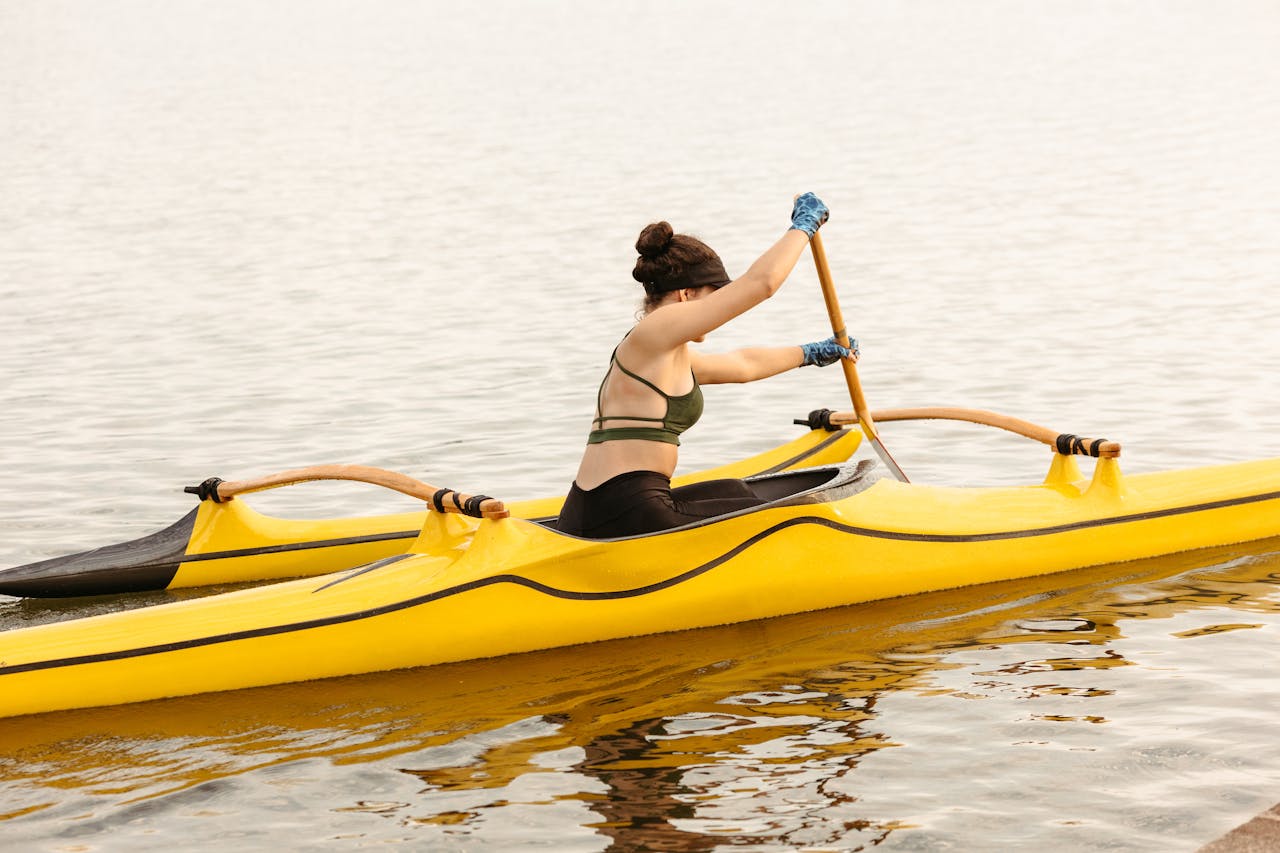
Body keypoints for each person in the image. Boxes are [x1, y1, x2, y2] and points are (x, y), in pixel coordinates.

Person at [556, 192, 855, 539]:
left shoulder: (660, 354)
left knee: (737, 491)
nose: (717, 309)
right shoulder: (656, 327)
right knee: (794, 517)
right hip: (626, 510)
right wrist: (803, 227)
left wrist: (812, 352)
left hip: (607, 504)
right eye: (714, 296)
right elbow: (761, 284)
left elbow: (743, 365)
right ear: (685, 295)